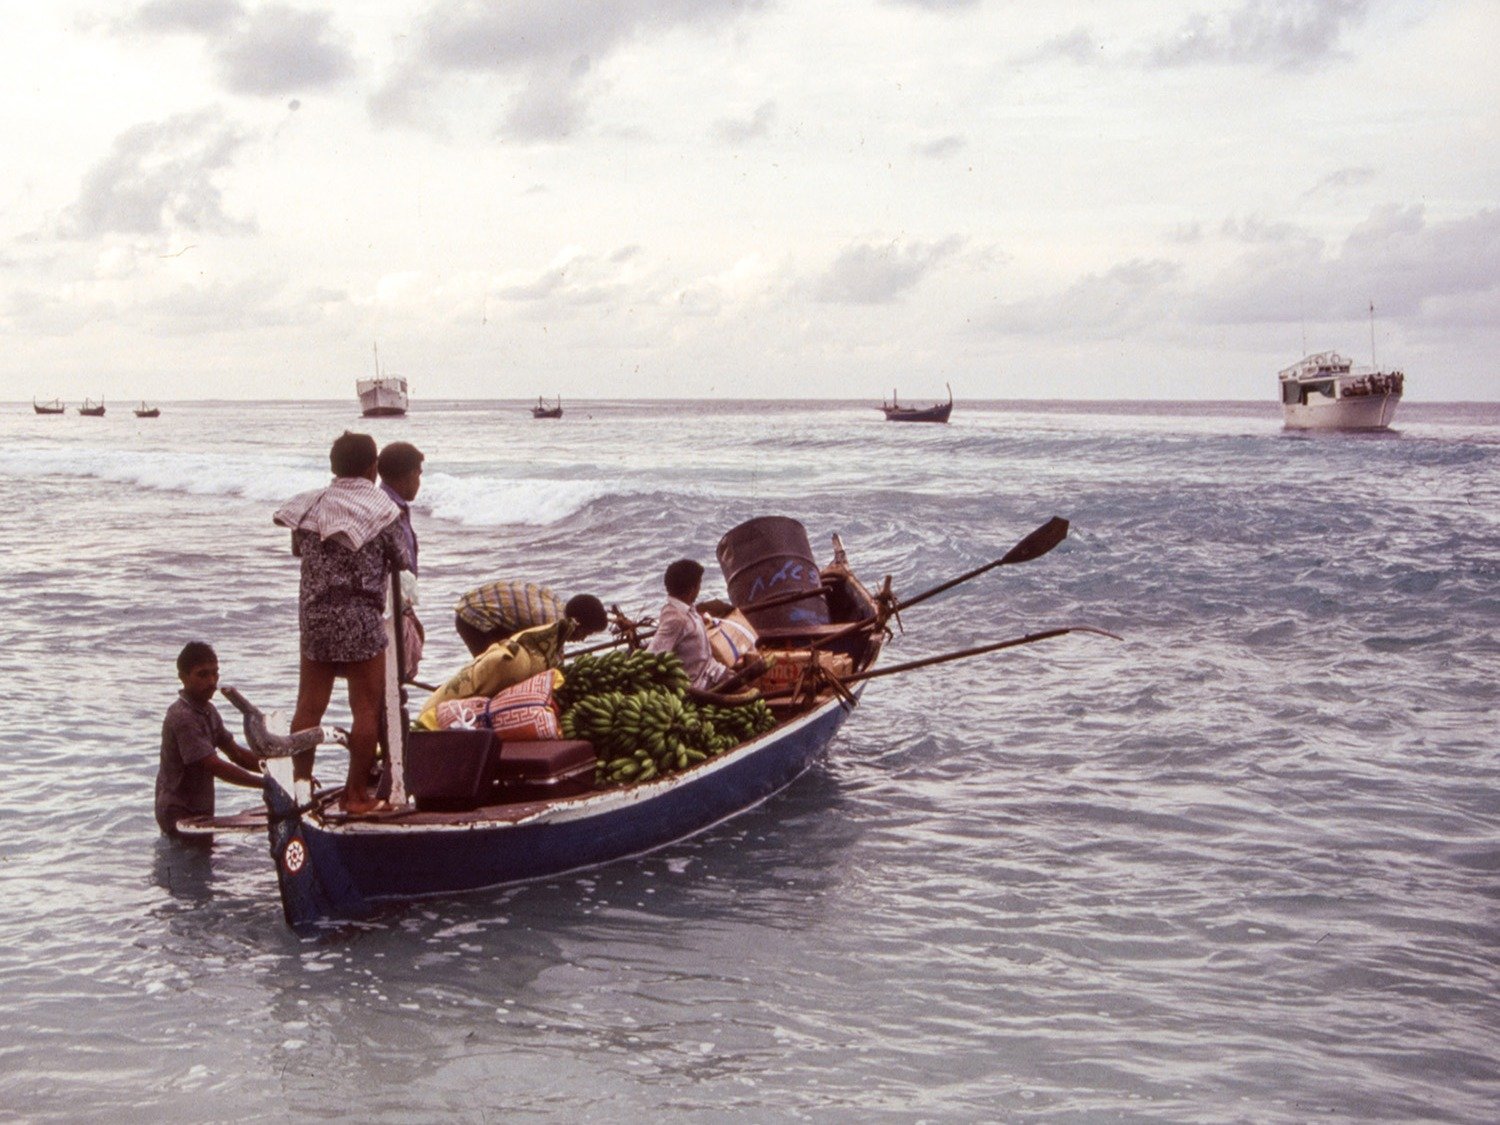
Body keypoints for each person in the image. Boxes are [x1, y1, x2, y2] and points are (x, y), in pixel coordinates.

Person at [274, 431, 412, 814]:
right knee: (365, 708)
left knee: (308, 706)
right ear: (372, 468)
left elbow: (298, 549)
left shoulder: (313, 506)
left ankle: (300, 789)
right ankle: (355, 795)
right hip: (360, 617)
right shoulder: (381, 510)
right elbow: (401, 558)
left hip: (315, 616)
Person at [155, 642, 263, 837]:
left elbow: (237, 754)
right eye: (202, 674)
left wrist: (282, 774)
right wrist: (265, 784)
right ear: (183, 678)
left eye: (215, 673)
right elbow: (214, 766)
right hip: (178, 813)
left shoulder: (208, 711)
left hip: (200, 808)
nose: (212, 681)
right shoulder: (183, 717)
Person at [647, 559, 761, 692]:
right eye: (699, 585)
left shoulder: (687, 608)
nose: (699, 589)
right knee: (751, 695)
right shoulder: (675, 619)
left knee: (753, 676)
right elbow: (652, 656)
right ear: (692, 589)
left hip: (714, 671)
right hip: (702, 684)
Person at [453, 581, 608, 657]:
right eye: (585, 633)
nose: (582, 639)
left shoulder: (558, 607)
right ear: (577, 623)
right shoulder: (552, 623)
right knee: (493, 663)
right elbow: (553, 661)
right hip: (473, 617)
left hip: (494, 618)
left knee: (512, 656)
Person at [377, 440, 425, 678]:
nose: (419, 482)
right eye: (419, 474)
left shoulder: (392, 504)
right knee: (394, 676)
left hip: (394, 602)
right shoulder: (389, 509)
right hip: (390, 605)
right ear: (409, 474)